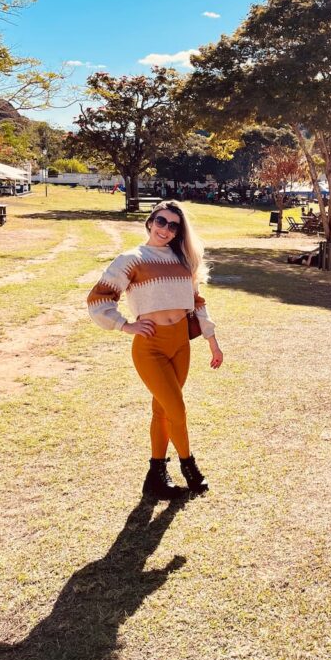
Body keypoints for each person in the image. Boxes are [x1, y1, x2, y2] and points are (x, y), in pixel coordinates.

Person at [86, 201, 223, 501]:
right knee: (177, 409)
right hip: (151, 346)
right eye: (161, 221)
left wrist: (212, 340)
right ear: (150, 222)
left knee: (162, 410)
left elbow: (198, 301)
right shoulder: (132, 259)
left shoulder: (182, 262)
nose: (166, 229)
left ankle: (156, 477)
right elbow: (99, 297)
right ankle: (190, 467)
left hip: (180, 344)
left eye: (174, 226)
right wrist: (124, 325)